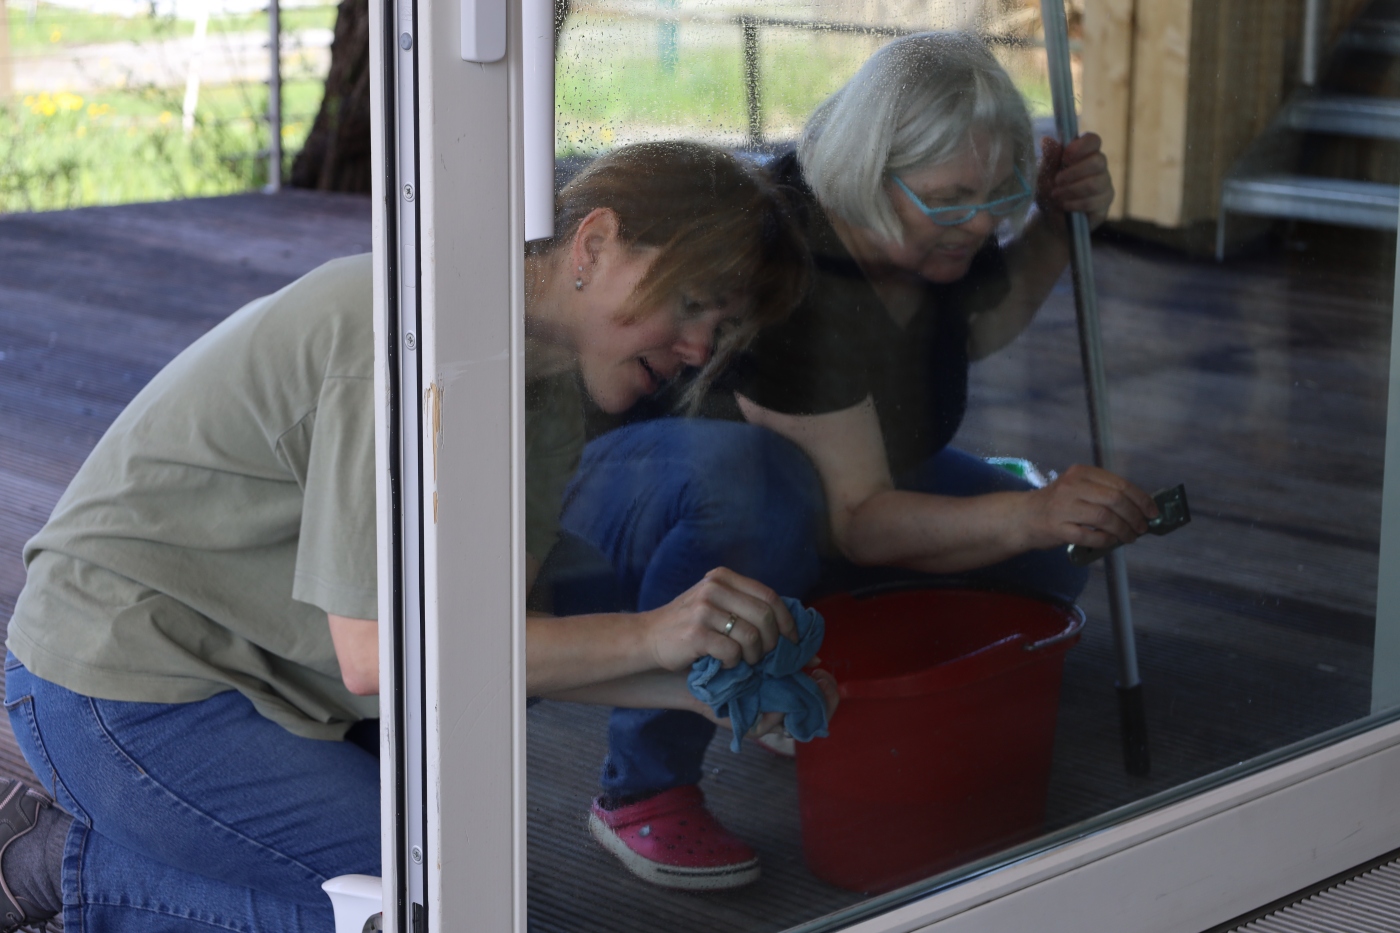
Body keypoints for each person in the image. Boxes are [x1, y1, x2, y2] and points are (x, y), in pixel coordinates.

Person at [0, 141, 827, 932]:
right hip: (119, 685)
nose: (699, 350)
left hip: (265, 677)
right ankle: (55, 861)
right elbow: (378, 656)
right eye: (692, 303)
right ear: (594, 243)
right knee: (440, 909)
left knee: (461, 886)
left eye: (721, 328)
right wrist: (650, 632)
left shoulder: (542, 395)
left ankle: (144, 846)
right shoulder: (401, 332)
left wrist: (697, 690)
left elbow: (493, 644)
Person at [565, 32, 1161, 887]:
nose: (983, 222)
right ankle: (643, 784)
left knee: (1041, 561)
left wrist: (1061, 225)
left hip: (840, 478)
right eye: (953, 200)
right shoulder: (793, 267)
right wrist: (1029, 508)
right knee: (762, 495)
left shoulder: (927, 229)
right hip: (643, 497)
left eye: (1001, 194)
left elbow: (979, 325)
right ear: (869, 172)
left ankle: (795, 664)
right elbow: (862, 521)